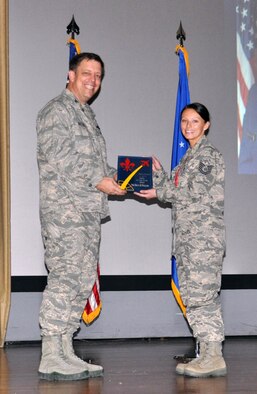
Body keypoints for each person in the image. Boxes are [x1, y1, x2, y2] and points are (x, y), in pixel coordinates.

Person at [37, 52, 126, 381]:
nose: (93, 80)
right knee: (63, 280)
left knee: (80, 281)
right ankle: (50, 353)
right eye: (86, 73)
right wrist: (100, 180)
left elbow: (98, 168)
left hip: (87, 213)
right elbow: (62, 157)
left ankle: (65, 351)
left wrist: (128, 177)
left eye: (98, 76)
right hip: (65, 213)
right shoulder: (55, 111)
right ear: (70, 75)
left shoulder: (86, 115)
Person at [135, 103, 227, 378]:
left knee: (204, 299)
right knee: (194, 298)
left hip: (203, 242)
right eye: (184, 121)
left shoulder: (206, 156)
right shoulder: (189, 157)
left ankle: (213, 356)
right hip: (189, 242)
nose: (188, 126)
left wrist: (158, 190)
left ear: (206, 125)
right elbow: (177, 188)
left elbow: (189, 192)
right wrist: (161, 174)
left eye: (195, 121)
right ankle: (206, 354)